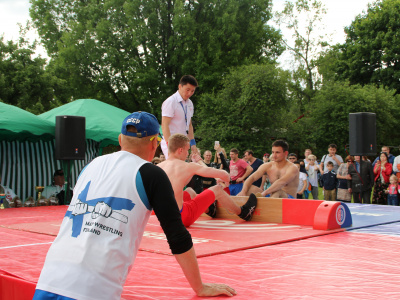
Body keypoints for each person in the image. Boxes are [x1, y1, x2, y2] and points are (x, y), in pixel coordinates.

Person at [33, 112, 236, 299]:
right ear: (153, 145)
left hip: (49, 277)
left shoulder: (89, 166)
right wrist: (199, 286)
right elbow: (177, 236)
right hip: (92, 288)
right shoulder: (150, 174)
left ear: (120, 140)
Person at [158, 133, 257, 226]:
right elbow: (223, 174)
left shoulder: (158, 166)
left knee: (189, 191)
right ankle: (243, 212)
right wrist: (226, 180)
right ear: (180, 150)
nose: (187, 154)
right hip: (181, 217)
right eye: (187, 150)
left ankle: (210, 210)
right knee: (217, 189)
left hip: (164, 218)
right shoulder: (186, 166)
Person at [161, 75, 199, 159]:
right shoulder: (171, 101)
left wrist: (193, 144)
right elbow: (164, 125)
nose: (189, 93)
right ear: (180, 86)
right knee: (174, 168)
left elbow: (189, 125)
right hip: (172, 143)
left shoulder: (190, 103)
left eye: (192, 91)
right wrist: (169, 145)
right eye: (187, 90)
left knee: (181, 168)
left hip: (183, 143)